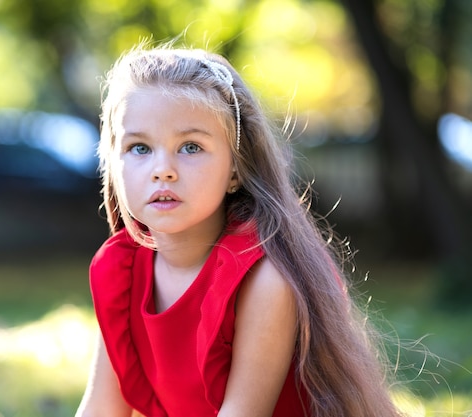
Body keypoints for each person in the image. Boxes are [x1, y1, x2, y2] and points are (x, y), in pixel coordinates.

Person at [75, 44, 402, 417]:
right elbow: (100, 409)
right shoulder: (120, 271)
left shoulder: (264, 278)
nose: (162, 169)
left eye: (191, 147)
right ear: (112, 163)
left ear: (235, 169)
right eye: (139, 148)